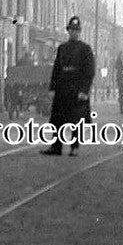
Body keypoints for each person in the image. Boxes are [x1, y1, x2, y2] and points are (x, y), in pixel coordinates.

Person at [41, 15, 95, 157]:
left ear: (80, 32)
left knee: (75, 120)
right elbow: (57, 69)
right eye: (71, 30)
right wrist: (52, 88)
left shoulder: (86, 49)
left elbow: (89, 72)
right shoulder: (62, 48)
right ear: (68, 31)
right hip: (62, 88)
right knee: (57, 119)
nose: (74, 32)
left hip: (77, 90)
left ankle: (74, 147)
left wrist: (84, 90)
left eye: (76, 30)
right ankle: (56, 147)